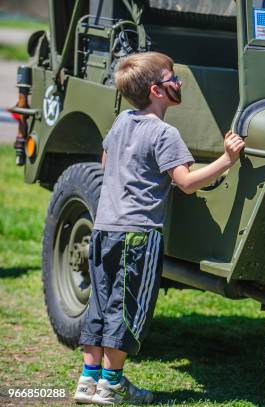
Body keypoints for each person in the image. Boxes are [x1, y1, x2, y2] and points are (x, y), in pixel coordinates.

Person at [73, 51, 245, 405]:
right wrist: (227, 159)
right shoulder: (165, 133)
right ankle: (111, 385)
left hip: (105, 227)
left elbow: (107, 161)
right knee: (126, 306)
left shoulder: (122, 121)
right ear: (157, 90)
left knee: (101, 303)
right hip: (138, 234)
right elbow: (185, 182)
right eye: (173, 79)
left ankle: (88, 381)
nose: (179, 83)